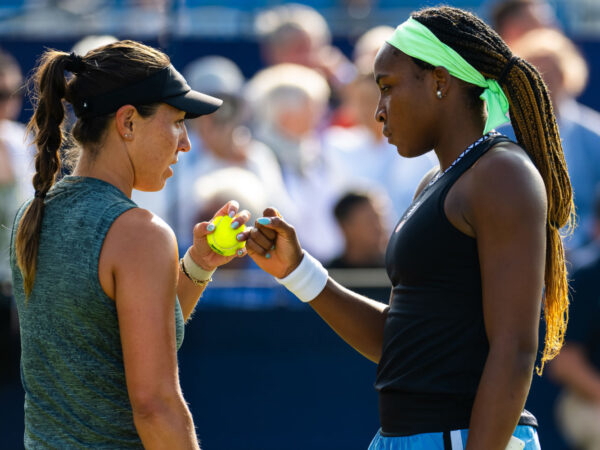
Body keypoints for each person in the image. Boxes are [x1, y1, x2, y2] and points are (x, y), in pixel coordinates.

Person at [243, 5, 573, 449]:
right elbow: (402, 340)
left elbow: (515, 347)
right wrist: (298, 270)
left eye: (388, 87)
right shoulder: (437, 182)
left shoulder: (501, 175)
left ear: (439, 81)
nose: (378, 111)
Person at [9, 40, 251, 448]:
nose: (186, 142)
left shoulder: (30, 215)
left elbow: (122, 339)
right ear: (127, 123)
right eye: (176, 121)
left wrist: (198, 264)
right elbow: (155, 406)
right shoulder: (141, 234)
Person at [506, 27, 600, 252]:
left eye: (552, 72)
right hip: (522, 252)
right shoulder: (503, 134)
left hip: (587, 256)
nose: (545, 82)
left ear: (567, 73)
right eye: (537, 73)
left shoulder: (594, 132)